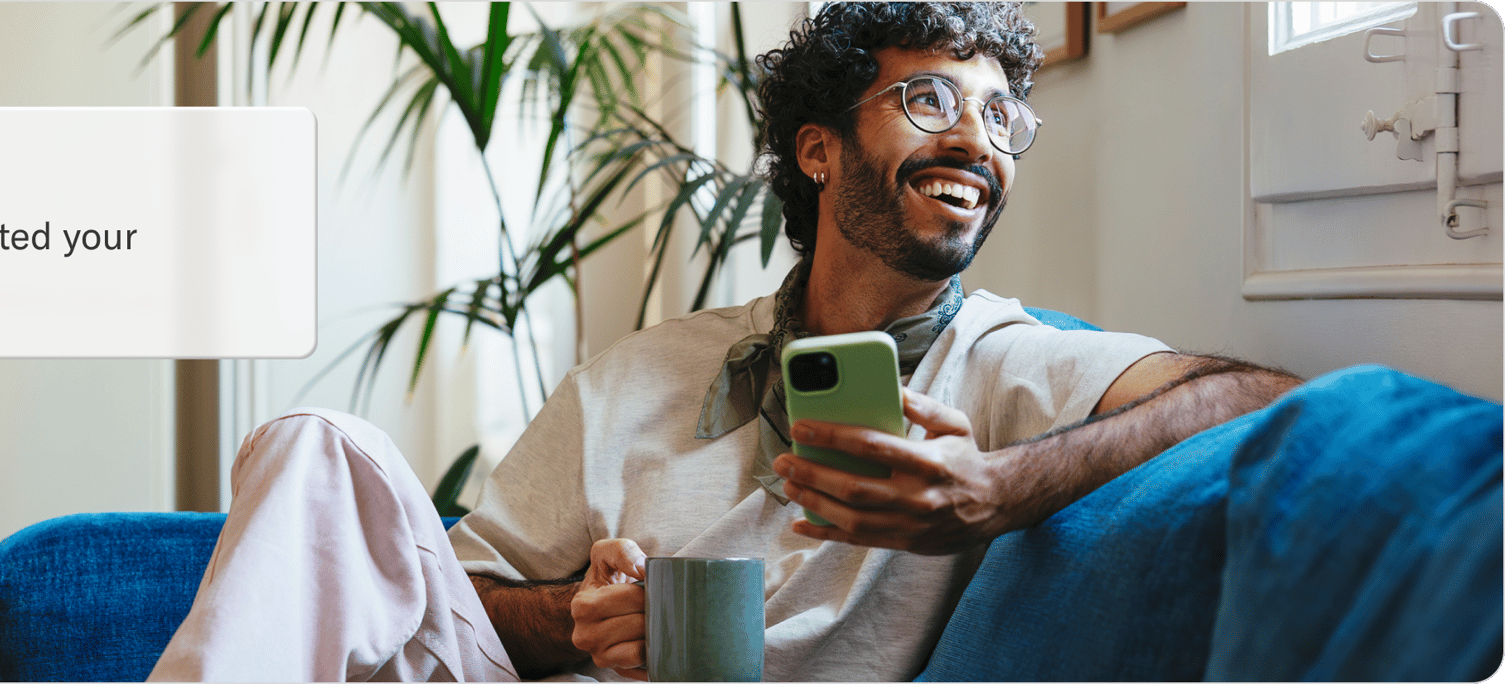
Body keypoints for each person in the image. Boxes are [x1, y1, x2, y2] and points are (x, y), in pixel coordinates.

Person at [149, 3, 1301, 681]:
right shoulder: (641, 371)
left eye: (1001, 117)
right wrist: (578, 616)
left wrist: (993, 489)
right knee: (314, 442)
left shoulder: (1015, 364)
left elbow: (1260, 394)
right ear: (816, 150)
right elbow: (458, 597)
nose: (976, 141)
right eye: (930, 102)